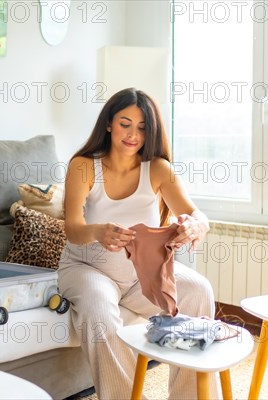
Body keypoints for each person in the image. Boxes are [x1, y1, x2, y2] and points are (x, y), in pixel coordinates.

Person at [58, 88, 217, 399]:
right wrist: (97, 231)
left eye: (143, 127)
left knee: (199, 291)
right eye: (125, 123)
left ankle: (190, 396)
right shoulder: (83, 165)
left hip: (140, 273)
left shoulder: (157, 169)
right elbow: (72, 229)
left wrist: (197, 225)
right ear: (108, 124)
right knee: (100, 313)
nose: (133, 134)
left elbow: (195, 213)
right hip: (88, 268)